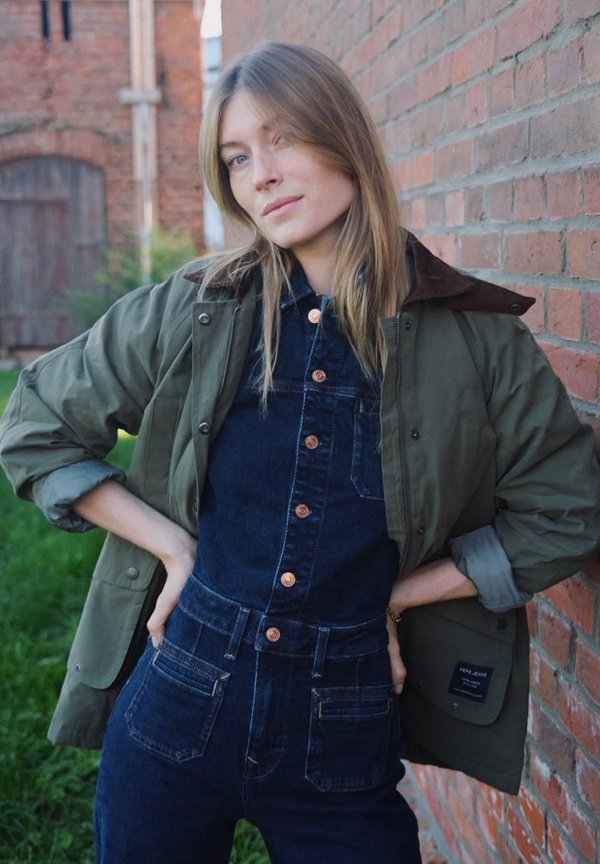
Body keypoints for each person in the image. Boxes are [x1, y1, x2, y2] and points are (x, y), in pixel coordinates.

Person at [1, 41, 599, 864]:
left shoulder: (478, 338)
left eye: (281, 139)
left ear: (342, 135)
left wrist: (397, 597)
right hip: (179, 695)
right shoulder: (199, 308)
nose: (260, 175)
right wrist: (174, 548)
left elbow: (568, 510)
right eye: (237, 156)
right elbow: (34, 421)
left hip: (346, 721)